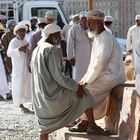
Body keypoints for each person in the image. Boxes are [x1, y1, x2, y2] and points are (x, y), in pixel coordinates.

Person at [30, 23, 110, 140]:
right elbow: (58, 77)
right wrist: (77, 87)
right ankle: (92, 126)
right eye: (58, 35)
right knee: (85, 95)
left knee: (44, 128)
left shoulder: (37, 49)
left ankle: (82, 123)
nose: (60, 38)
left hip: (40, 98)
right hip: (52, 96)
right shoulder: (50, 49)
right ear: (52, 35)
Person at [79, 10, 125, 133]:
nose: (87, 26)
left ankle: (91, 125)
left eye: (89, 23)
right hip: (104, 74)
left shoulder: (106, 38)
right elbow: (93, 64)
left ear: (98, 23)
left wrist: (86, 82)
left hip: (113, 75)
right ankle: (84, 122)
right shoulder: (98, 37)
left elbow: (100, 64)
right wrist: (84, 79)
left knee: (86, 91)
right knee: (82, 88)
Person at [7, 23, 32, 113]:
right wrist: (18, 50)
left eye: (24, 31)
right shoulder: (13, 41)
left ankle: (28, 103)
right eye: (20, 31)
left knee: (27, 85)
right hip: (18, 68)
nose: (22, 33)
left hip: (26, 67)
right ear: (16, 32)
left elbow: (29, 53)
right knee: (18, 85)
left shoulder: (26, 42)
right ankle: (20, 105)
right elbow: (9, 53)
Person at [67, 11, 92, 82]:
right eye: (82, 19)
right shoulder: (74, 29)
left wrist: (87, 30)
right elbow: (70, 44)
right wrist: (70, 57)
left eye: (86, 19)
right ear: (80, 20)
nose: (84, 21)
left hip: (90, 58)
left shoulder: (91, 29)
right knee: (78, 79)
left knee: (89, 79)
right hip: (78, 60)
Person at [1, 19, 16, 100]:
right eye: (11, 26)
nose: (13, 27)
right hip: (8, 59)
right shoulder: (5, 36)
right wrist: (6, 58)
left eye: (14, 25)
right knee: (10, 76)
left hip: (16, 57)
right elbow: (5, 48)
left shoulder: (16, 35)